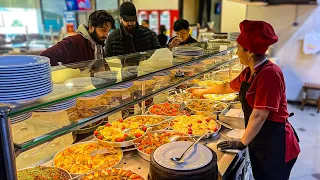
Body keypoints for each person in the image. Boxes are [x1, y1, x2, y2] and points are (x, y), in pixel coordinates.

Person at [193, 20, 300, 180]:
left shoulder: (269, 74)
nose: (236, 53)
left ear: (249, 52)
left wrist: (242, 142)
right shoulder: (250, 72)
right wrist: (202, 91)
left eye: (238, 49)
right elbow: (226, 87)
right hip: (260, 138)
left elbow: (259, 115)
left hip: (276, 144)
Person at [40, 10, 115, 66]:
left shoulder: (99, 43)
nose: (106, 35)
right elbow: (45, 55)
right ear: (91, 27)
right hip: (75, 85)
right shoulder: (73, 42)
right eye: (103, 30)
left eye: (108, 31)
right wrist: (61, 73)